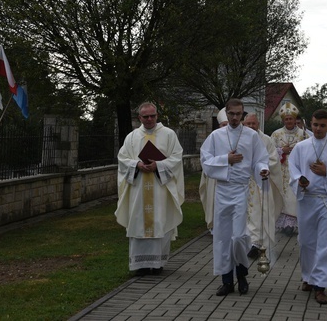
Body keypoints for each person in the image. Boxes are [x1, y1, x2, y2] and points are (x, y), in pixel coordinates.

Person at [201, 98, 269, 296]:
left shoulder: (251, 136)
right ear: (226, 113)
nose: (234, 118)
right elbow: (205, 161)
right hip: (222, 190)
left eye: (238, 114)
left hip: (241, 190)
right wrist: (226, 160)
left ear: (243, 115)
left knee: (239, 237)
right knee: (223, 238)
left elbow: (260, 160)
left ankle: (242, 276)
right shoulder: (216, 136)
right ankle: (227, 281)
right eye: (231, 114)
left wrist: (263, 170)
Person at [289, 109, 327, 305]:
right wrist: (300, 180)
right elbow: (293, 168)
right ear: (310, 123)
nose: (318, 129)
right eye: (315, 125)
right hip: (307, 200)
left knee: (324, 243)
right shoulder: (301, 147)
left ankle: (320, 286)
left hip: (326, 200)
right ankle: (308, 277)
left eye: (322, 125)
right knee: (306, 242)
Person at [115, 102, 185, 276]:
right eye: (145, 116)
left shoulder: (169, 135)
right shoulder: (131, 137)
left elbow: (177, 158)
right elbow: (122, 159)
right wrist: (137, 164)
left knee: (160, 222)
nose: (149, 119)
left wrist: (159, 165)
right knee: (138, 222)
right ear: (139, 118)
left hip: (160, 189)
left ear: (157, 115)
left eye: (152, 115)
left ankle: (157, 263)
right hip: (138, 190)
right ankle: (141, 265)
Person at [243, 113, 284, 259]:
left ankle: (259, 244)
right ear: (244, 124)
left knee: (259, 213)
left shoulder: (266, 140)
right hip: (243, 183)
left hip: (260, 183)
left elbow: (273, 159)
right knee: (245, 213)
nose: (251, 127)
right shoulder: (240, 139)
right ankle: (247, 243)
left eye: (254, 124)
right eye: (248, 124)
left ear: (258, 124)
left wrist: (263, 168)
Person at [270, 102, 308, 235]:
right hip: (280, 170)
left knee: (293, 195)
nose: (289, 121)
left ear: (295, 119)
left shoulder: (303, 134)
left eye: (291, 118)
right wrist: (281, 150)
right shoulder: (276, 134)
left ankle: (291, 224)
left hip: (295, 170)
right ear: (283, 120)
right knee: (282, 195)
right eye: (286, 119)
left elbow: (308, 151)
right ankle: (283, 223)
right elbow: (270, 152)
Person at [199, 107, 227, 233]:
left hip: (235, 179)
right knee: (215, 202)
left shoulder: (240, 137)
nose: (225, 127)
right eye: (223, 124)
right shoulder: (214, 137)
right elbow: (205, 157)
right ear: (219, 125)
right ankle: (215, 226)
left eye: (227, 124)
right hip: (215, 178)